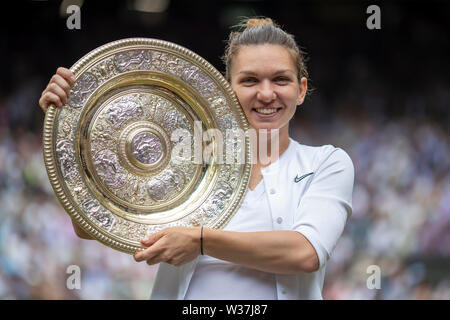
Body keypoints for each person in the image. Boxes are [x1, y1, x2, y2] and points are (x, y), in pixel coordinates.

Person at [39, 17, 354, 300]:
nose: (266, 93)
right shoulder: (187, 160)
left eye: (280, 80)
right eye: (250, 81)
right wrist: (66, 129)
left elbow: (305, 253)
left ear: (300, 90)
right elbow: (93, 226)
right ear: (227, 91)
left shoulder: (326, 164)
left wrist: (200, 241)